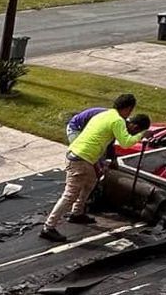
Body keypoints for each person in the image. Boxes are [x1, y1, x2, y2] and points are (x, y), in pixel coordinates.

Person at [41, 94, 149, 239]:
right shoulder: (117, 120)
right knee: (70, 195)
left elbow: (108, 141)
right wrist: (141, 135)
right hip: (81, 159)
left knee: (91, 182)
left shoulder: (105, 114)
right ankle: (48, 227)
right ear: (129, 108)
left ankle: (77, 213)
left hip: (83, 156)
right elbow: (125, 142)